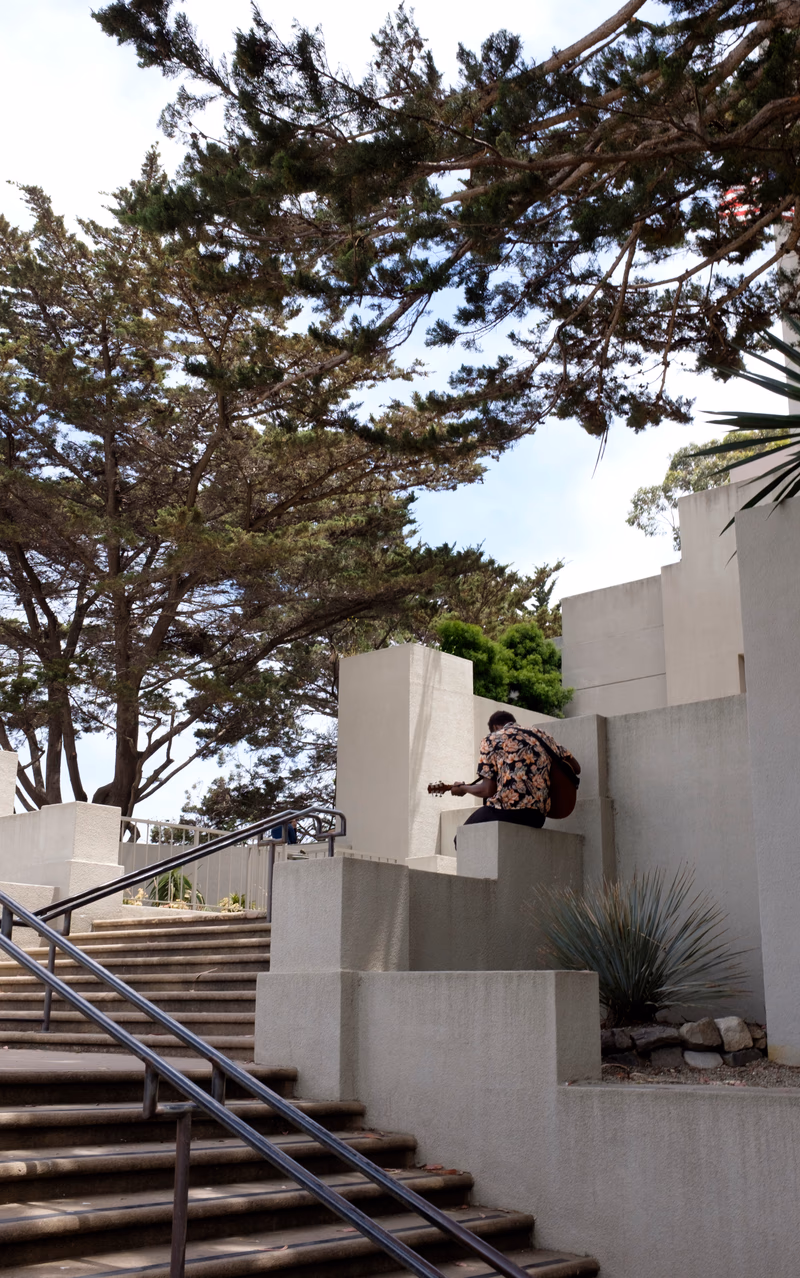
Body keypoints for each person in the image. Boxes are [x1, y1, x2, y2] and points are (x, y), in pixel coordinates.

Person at [450, 710, 580, 839]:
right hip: (538, 816)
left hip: (508, 811)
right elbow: (576, 767)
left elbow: (487, 790)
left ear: (495, 727)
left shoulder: (491, 739)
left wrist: (463, 788)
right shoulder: (541, 735)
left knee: (461, 838)